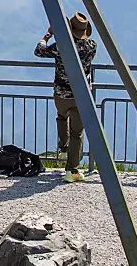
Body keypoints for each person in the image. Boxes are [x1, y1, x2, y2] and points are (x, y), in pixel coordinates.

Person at [34, 12, 99, 183]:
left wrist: (47, 35)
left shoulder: (61, 46)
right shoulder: (92, 46)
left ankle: (63, 147)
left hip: (61, 94)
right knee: (77, 133)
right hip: (81, 95)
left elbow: (38, 51)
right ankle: (72, 170)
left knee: (62, 117)